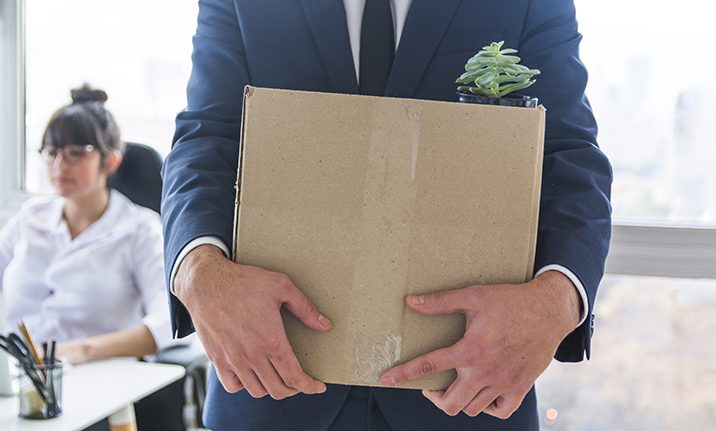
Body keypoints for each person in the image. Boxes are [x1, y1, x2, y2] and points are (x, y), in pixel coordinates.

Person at [162, 0, 612, 429]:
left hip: (467, 396)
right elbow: (206, 137)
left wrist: (559, 300)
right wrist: (197, 270)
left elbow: (570, 155)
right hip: (272, 387)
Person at [0, 84, 176, 430]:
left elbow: (167, 325)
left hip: (99, 387)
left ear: (110, 160)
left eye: (75, 153)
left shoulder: (140, 230)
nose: (59, 165)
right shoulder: (30, 218)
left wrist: (80, 351)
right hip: (15, 386)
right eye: (51, 152)